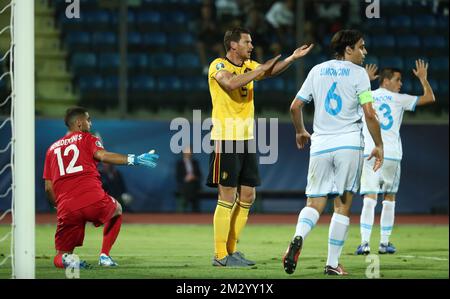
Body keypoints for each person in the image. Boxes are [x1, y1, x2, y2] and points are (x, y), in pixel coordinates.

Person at [206, 27, 314, 267]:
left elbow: (270, 71)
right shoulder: (218, 66)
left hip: (246, 139)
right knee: (226, 195)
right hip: (226, 139)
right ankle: (219, 255)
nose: (251, 46)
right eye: (247, 42)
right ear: (233, 45)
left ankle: (231, 251)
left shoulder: (250, 66)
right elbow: (231, 84)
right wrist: (261, 69)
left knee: (247, 195)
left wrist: (292, 58)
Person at [283, 29, 384, 276]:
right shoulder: (360, 74)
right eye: (361, 47)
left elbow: (295, 106)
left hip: (320, 144)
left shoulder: (317, 70)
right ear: (348, 49)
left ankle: (298, 236)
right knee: (342, 206)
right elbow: (370, 114)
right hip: (348, 144)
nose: (365, 52)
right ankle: (331, 263)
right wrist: (379, 144)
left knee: (314, 203)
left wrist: (300, 131)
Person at [43, 107, 159, 269]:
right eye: (88, 119)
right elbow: (103, 156)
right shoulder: (87, 139)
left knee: (61, 254)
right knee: (117, 209)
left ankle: (67, 260)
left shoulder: (51, 150)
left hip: (66, 207)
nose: (90, 123)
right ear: (79, 123)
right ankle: (104, 256)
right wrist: (135, 159)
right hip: (91, 198)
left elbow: (48, 187)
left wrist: (58, 205)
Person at [356, 60, 436, 255]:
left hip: (371, 152)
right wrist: (423, 79)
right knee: (389, 198)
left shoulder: (367, 96)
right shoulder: (399, 99)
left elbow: (351, 99)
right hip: (391, 154)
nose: (400, 84)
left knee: (369, 197)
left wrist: (365, 81)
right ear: (385, 81)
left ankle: (365, 243)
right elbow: (430, 98)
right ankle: (384, 244)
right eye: (397, 80)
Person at [176, 146, 202, 213]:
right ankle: (179, 221)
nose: (189, 153)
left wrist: (194, 177)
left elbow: (200, 175)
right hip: (184, 188)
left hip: (194, 187)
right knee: (182, 208)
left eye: (190, 151)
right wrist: (185, 178)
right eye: (187, 151)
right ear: (183, 152)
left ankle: (197, 222)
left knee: (195, 208)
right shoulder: (179, 163)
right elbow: (178, 176)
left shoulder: (195, 162)